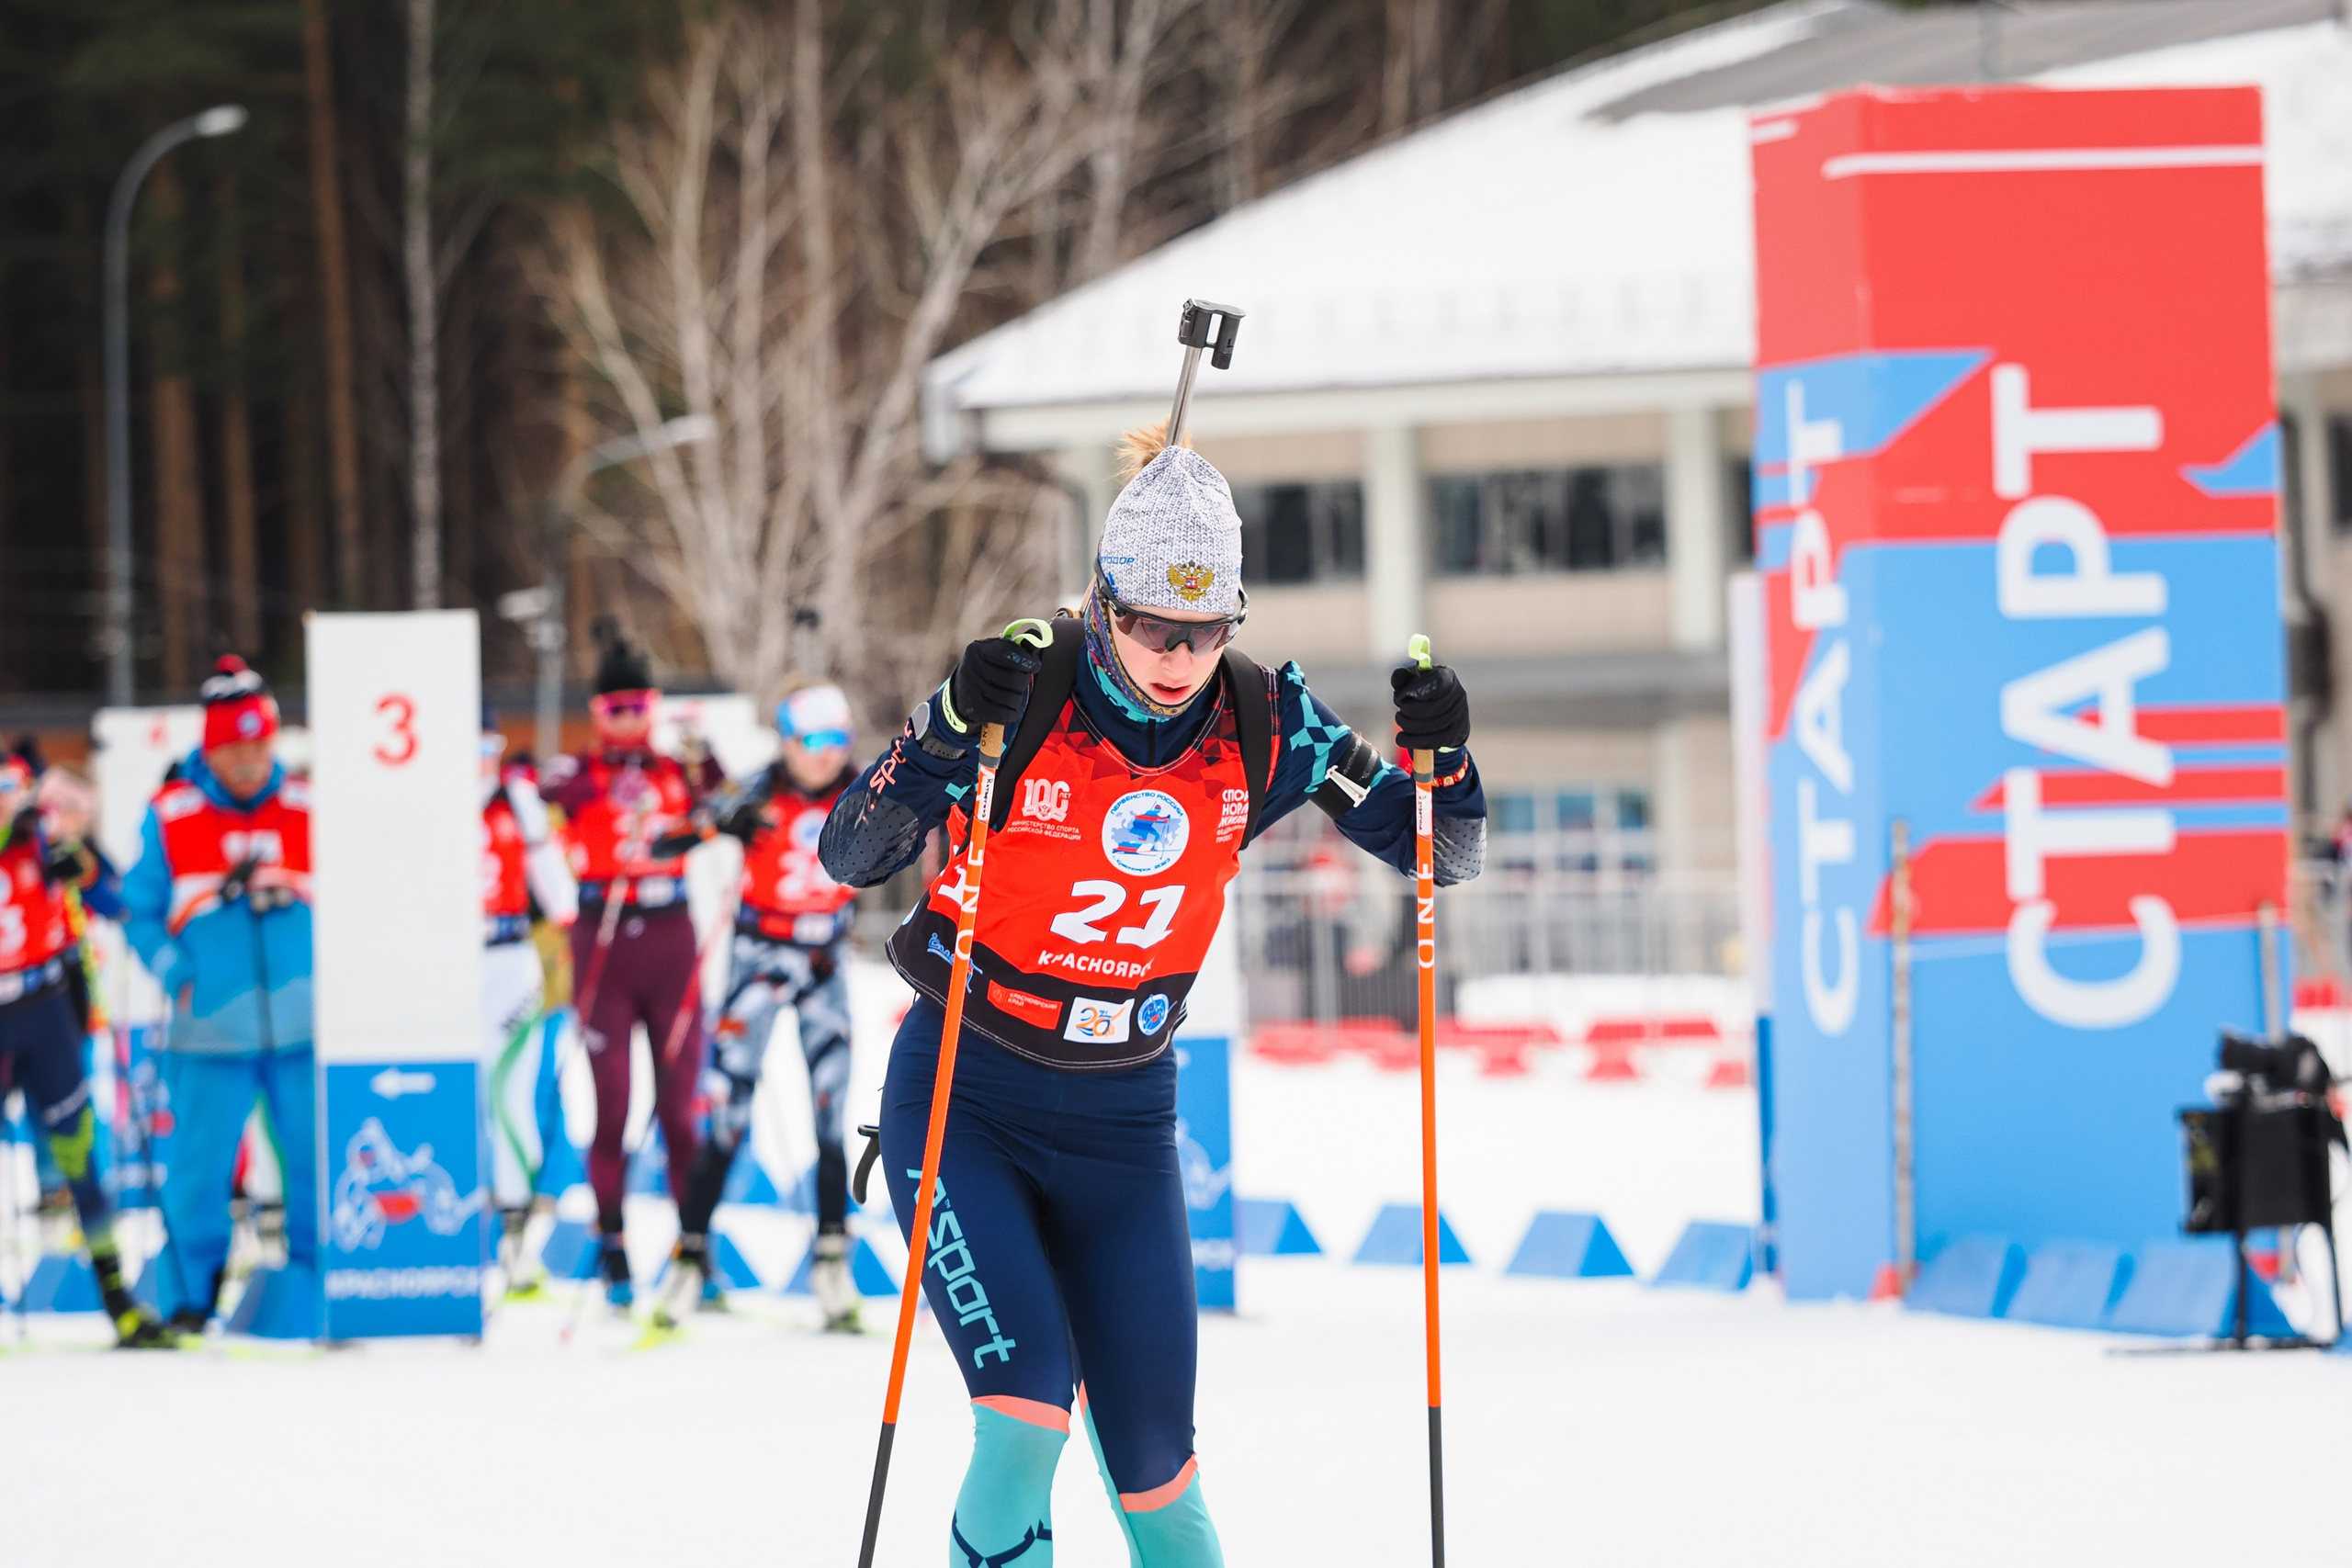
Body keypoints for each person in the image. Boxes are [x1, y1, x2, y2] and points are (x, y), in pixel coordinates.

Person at [820, 428, 1486, 1565]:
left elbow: (1440, 853)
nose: (1176, 657)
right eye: (1147, 627)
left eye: (1204, 630)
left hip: (1123, 1123)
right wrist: (942, 724)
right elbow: (852, 853)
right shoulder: (1021, 694)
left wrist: (1446, 757)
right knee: (1027, 1412)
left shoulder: (1268, 724)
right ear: (1101, 596)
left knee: (1159, 1482)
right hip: (965, 1097)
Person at [654, 680, 863, 1327]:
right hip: (760, 957)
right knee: (727, 1110)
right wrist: (722, 820)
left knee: (831, 1114)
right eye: (812, 741)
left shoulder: (866, 790)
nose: (826, 755)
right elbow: (670, 840)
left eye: (837, 740)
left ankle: (832, 1265)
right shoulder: (760, 788)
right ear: (786, 740)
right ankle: (689, 1260)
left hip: (825, 959)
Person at [121, 656, 315, 1335]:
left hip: (300, 1025)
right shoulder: (172, 812)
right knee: (198, 1171)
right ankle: (188, 1295)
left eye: (261, 746)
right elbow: (138, 909)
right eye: (236, 748)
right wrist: (175, 968)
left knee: (311, 1160)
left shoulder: (305, 804)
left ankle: (313, 1279)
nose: (250, 761)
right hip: (208, 1029)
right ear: (211, 745)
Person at [539, 628, 722, 1308]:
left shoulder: (677, 768)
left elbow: (725, 800)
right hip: (603, 936)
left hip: (670, 936)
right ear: (596, 712)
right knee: (612, 1101)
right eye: (613, 708)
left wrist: (703, 764)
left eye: (638, 704)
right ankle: (613, 1245)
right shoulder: (582, 772)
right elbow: (543, 789)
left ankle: (691, 1250)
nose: (627, 719)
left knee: (681, 1107)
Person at [0, 754, 169, 1347]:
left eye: (11, 789)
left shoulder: (41, 840)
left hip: (44, 1011)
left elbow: (116, 901)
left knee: (79, 1153)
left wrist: (86, 869)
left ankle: (119, 1300)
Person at [478, 702, 577, 1281]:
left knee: (510, 1098)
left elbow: (562, 898)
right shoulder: (429, 796)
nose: (480, 766)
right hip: (444, 963)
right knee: (453, 1098)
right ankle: (459, 1231)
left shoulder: (515, 802)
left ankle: (517, 1243)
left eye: (489, 750)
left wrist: (536, 829)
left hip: (510, 960)